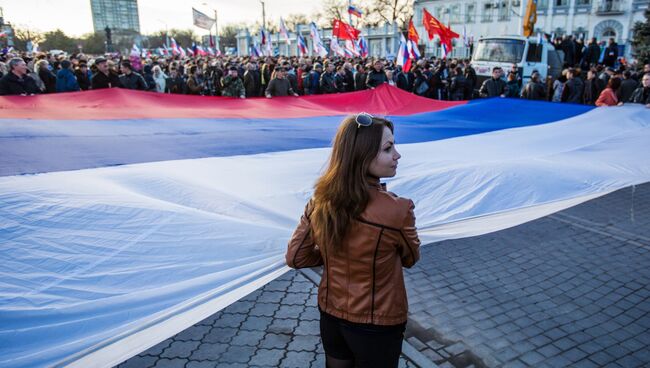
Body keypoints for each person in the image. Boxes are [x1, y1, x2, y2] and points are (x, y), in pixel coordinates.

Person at [286, 112, 420, 368]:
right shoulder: (398, 210)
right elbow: (411, 258)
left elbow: (296, 257)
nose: (398, 155)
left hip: (331, 314)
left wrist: (332, 251)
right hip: (378, 323)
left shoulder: (319, 201)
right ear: (362, 155)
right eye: (388, 148)